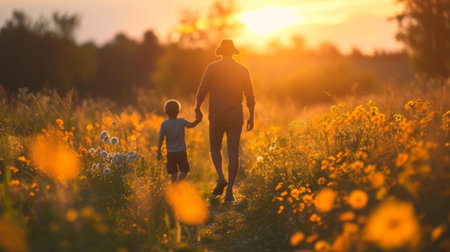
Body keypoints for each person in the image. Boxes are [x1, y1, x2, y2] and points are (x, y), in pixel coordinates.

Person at [195, 39, 255, 201]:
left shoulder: (212, 68)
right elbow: (250, 95)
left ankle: (221, 177)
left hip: (217, 116)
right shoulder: (243, 70)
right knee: (234, 153)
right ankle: (229, 192)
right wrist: (252, 115)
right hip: (235, 116)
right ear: (233, 52)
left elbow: (202, 90)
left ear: (220, 52)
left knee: (215, 148)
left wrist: (197, 108)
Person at [157, 100, 202, 183]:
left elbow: (161, 138)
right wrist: (198, 120)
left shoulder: (164, 124)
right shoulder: (182, 121)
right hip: (181, 152)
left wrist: (159, 150)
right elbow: (191, 125)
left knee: (173, 173)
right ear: (178, 111)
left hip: (170, 153)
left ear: (165, 112)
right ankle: (176, 185)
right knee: (184, 171)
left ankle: (173, 189)